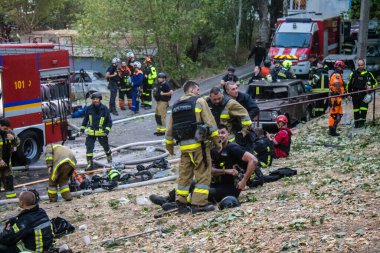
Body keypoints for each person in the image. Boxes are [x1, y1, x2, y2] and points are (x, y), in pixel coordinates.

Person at [150, 125, 260, 209]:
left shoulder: (233, 148)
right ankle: (167, 199)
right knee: (192, 183)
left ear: (228, 134)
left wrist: (244, 180)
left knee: (205, 194)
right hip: (215, 182)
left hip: (230, 188)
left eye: (223, 133)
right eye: (218, 133)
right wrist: (226, 171)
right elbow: (209, 170)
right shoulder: (212, 150)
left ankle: (177, 205)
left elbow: (253, 160)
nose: (220, 135)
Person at [165, 81, 222, 214]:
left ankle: (181, 203)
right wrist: (217, 142)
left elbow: (169, 129)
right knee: (203, 174)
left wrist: (170, 147)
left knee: (184, 176)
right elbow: (211, 123)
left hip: (184, 148)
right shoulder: (200, 101)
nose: (198, 91)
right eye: (197, 89)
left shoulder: (176, 105)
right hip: (199, 146)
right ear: (191, 89)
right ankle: (199, 204)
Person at [80, 92, 112, 171]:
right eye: (93, 99)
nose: (95, 101)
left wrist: (107, 130)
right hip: (91, 133)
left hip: (101, 133)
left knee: (106, 146)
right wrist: (82, 130)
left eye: (97, 99)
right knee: (89, 148)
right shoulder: (89, 108)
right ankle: (90, 164)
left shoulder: (104, 109)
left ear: (100, 99)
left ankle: (109, 156)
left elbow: (109, 121)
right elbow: (85, 120)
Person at [346, 59, 378, 128]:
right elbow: (349, 85)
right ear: (357, 65)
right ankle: (356, 124)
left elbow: (375, 83)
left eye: (362, 65)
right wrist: (348, 94)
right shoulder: (353, 73)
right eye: (359, 65)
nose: (360, 66)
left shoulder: (369, 74)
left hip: (365, 95)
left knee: (364, 110)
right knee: (356, 110)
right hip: (355, 94)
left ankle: (362, 124)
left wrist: (371, 86)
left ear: (364, 65)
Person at [0, 118, 19, 199]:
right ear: (0, 126)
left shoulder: (9, 132)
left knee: (9, 181)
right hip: (1, 161)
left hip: (7, 163)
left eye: (8, 128)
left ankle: (11, 201)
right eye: (5, 128)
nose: (6, 130)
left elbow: (17, 143)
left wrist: (13, 139)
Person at [328, 60, 345, 136]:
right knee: (334, 114)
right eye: (342, 67)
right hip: (335, 96)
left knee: (339, 114)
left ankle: (332, 129)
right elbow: (337, 84)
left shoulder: (336, 74)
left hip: (336, 96)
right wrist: (340, 92)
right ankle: (332, 130)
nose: (342, 69)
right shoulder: (337, 74)